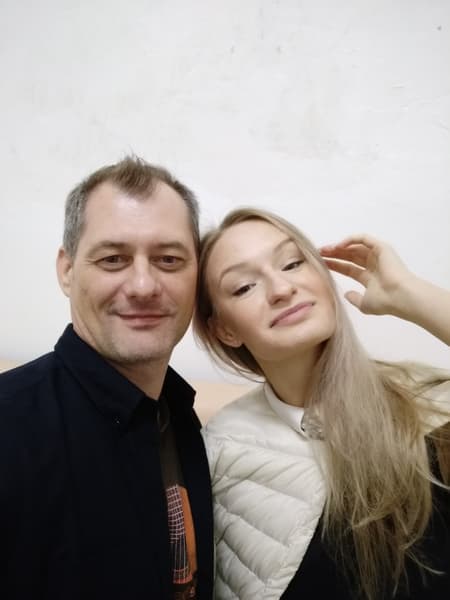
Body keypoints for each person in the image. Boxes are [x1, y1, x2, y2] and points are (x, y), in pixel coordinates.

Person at [193, 207, 450, 600]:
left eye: (293, 263)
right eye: (244, 287)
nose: (281, 289)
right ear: (225, 330)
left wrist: (409, 294)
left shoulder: (428, 404)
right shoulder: (218, 450)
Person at [0, 156, 214, 599]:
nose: (143, 286)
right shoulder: (8, 428)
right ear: (67, 270)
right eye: (113, 259)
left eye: (169, 259)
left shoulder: (183, 420)